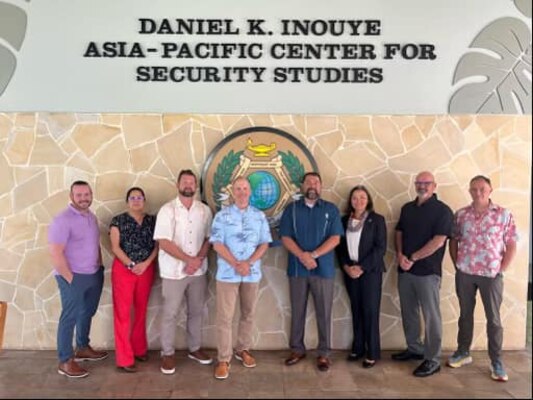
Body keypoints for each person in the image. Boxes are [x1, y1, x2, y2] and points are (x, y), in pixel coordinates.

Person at [446, 175, 518, 382]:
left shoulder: (503, 215)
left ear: (490, 190)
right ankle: (463, 352)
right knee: (465, 315)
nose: (478, 192)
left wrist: (500, 269)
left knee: (493, 319)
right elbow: (453, 240)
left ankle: (496, 361)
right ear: (469, 191)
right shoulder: (461, 215)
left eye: (482, 189)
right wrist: (457, 265)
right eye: (474, 189)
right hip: (465, 273)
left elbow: (512, 244)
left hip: (491, 275)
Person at [279, 172, 343, 372]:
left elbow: (335, 238)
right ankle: (297, 349)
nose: (312, 185)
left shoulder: (330, 210)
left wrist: (313, 255)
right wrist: (303, 256)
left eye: (316, 182)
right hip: (298, 270)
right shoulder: (292, 210)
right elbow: (285, 237)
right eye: (308, 182)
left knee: (324, 313)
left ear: (321, 186)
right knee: (297, 311)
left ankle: (324, 353)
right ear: (302, 186)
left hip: (323, 270)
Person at [209, 176, 272, 380]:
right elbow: (217, 244)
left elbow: (264, 243)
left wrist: (248, 263)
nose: (242, 192)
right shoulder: (221, 216)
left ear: (250, 191)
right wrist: (237, 264)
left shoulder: (259, 216)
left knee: (248, 314)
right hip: (228, 274)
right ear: (232, 191)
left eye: (245, 188)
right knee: (225, 318)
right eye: (238, 188)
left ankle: (242, 349)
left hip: (251, 274)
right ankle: (224, 359)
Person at [392, 171, 453, 378]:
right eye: (419, 182)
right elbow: (398, 232)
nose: (422, 186)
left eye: (427, 183)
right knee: (409, 313)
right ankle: (415, 349)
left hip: (427, 272)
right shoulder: (407, 208)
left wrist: (413, 257)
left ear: (434, 186)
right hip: (405, 270)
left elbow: (438, 241)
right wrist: (400, 255)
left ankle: (433, 359)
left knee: (431, 316)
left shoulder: (443, 211)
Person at [153, 170, 213, 375]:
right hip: (173, 272)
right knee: (170, 313)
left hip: (197, 272)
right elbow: (163, 242)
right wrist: (189, 260)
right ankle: (167, 354)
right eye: (185, 182)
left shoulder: (204, 210)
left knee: (196, 311)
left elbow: (208, 239)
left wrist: (197, 262)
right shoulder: (167, 210)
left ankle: (194, 349)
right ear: (177, 184)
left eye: (191, 182)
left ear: (196, 186)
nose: (188, 185)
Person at [48, 180, 108, 378]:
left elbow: (95, 243)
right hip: (72, 276)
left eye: (87, 194)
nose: (84, 198)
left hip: (93, 273)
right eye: (79, 195)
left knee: (87, 312)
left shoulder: (91, 216)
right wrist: (70, 278)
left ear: (91, 194)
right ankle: (65, 361)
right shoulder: (62, 220)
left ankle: (82, 347)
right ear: (71, 196)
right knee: (70, 317)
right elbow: (56, 252)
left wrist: (99, 267)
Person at [335, 185, 386, 369]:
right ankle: (357, 348)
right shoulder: (343, 221)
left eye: (362, 197)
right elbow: (339, 248)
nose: (359, 201)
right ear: (350, 201)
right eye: (355, 198)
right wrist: (347, 266)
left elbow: (380, 248)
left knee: (370, 312)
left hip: (370, 272)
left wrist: (361, 267)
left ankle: (372, 352)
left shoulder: (377, 220)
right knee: (356, 310)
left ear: (368, 200)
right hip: (350, 272)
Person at [109, 187, 158, 373]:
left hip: (146, 269)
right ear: (127, 200)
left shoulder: (152, 221)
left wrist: (145, 264)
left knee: (141, 310)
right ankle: (124, 358)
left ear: (144, 200)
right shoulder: (118, 221)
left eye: (139, 197)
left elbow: (157, 246)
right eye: (132, 197)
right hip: (124, 270)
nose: (136, 200)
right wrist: (131, 265)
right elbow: (115, 247)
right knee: (122, 314)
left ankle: (139, 349)